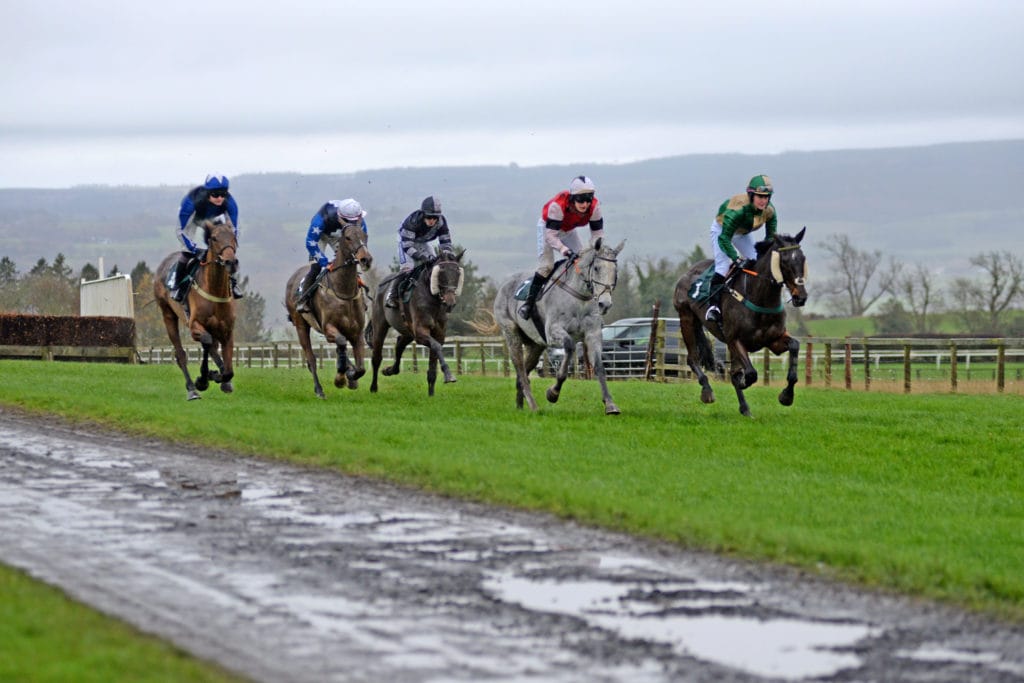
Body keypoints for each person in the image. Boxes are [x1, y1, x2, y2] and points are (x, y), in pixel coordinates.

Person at [518, 175, 604, 320]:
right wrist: (565, 250)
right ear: (573, 197)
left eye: (589, 198)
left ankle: (588, 305)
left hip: (568, 231)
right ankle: (528, 304)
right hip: (548, 229)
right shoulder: (557, 206)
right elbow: (551, 237)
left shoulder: (595, 207)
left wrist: (596, 250)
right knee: (546, 267)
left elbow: (597, 235)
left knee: (583, 263)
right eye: (581, 199)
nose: (585, 204)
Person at [704, 174, 778, 323]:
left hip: (743, 233)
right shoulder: (738, 210)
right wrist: (736, 258)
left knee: (756, 261)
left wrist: (766, 255)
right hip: (722, 231)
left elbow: (770, 237)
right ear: (751, 195)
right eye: (760, 196)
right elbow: (724, 238)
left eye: (766, 197)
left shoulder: (770, 211)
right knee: (723, 265)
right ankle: (713, 307)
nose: (763, 201)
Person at [168, 173, 243, 302]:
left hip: (213, 218)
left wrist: (228, 248)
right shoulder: (190, 203)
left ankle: (232, 282)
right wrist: (193, 248)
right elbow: (180, 230)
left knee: (224, 250)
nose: (220, 198)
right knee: (187, 252)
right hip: (192, 219)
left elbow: (235, 230)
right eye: (215, 194)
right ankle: (177, 285)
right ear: (208, 193)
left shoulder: (230, 203)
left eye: (223, 194)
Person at [294, 198, 368, 312]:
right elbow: (310, 242)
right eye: (351, 221)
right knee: (316, 267)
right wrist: (324, 262)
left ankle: (360, 298)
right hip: (320, 236)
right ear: (342, 218)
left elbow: (362, 240)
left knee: (350, 262)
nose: (355, 223)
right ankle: (303, 298)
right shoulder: (321, 219)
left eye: (356, 220)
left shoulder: (358, 218)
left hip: (340, 236)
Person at [385, 196, 455, 308]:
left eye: (435, 217)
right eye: (429, 217)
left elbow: (445, 242)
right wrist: (421, 256)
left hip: (422, 242)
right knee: (407, 268)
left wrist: (448, 254)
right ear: (423, 214)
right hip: (405, 242)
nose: (432, 220)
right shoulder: (413, 221)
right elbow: (408, 246)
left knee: (436, 266)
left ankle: (439, 295)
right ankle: (391, 295)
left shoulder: (441, 222)